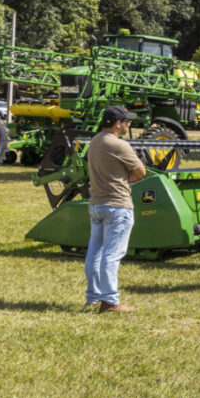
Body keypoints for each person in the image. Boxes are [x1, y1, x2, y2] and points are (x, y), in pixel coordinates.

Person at [85, 106, 145, 313]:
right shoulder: (120, 145)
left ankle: (93, 296)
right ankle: (110, 301)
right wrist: (126, 179)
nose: (129, 125)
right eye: (127, 122)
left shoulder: (94, 141)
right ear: (118, 123)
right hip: (117, 206)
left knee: (95, 252)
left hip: (96, 204)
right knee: (112, 254)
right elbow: (141, 172)